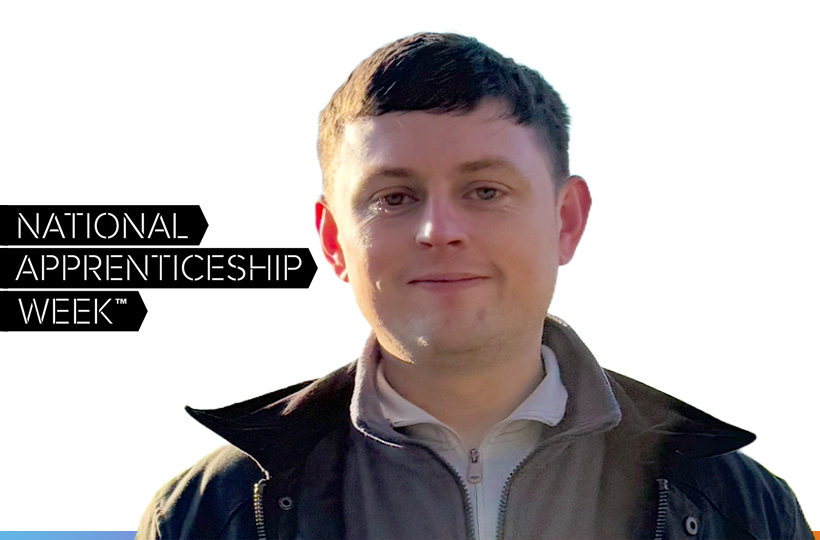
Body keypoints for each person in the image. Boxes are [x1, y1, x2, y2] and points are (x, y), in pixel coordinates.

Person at [137, 32, 813, 539]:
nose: (439, 228)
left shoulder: (737, 508)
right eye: (393, 197)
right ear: (334, 240)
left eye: (485, 190)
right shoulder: (207, 515)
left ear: (566, 220)